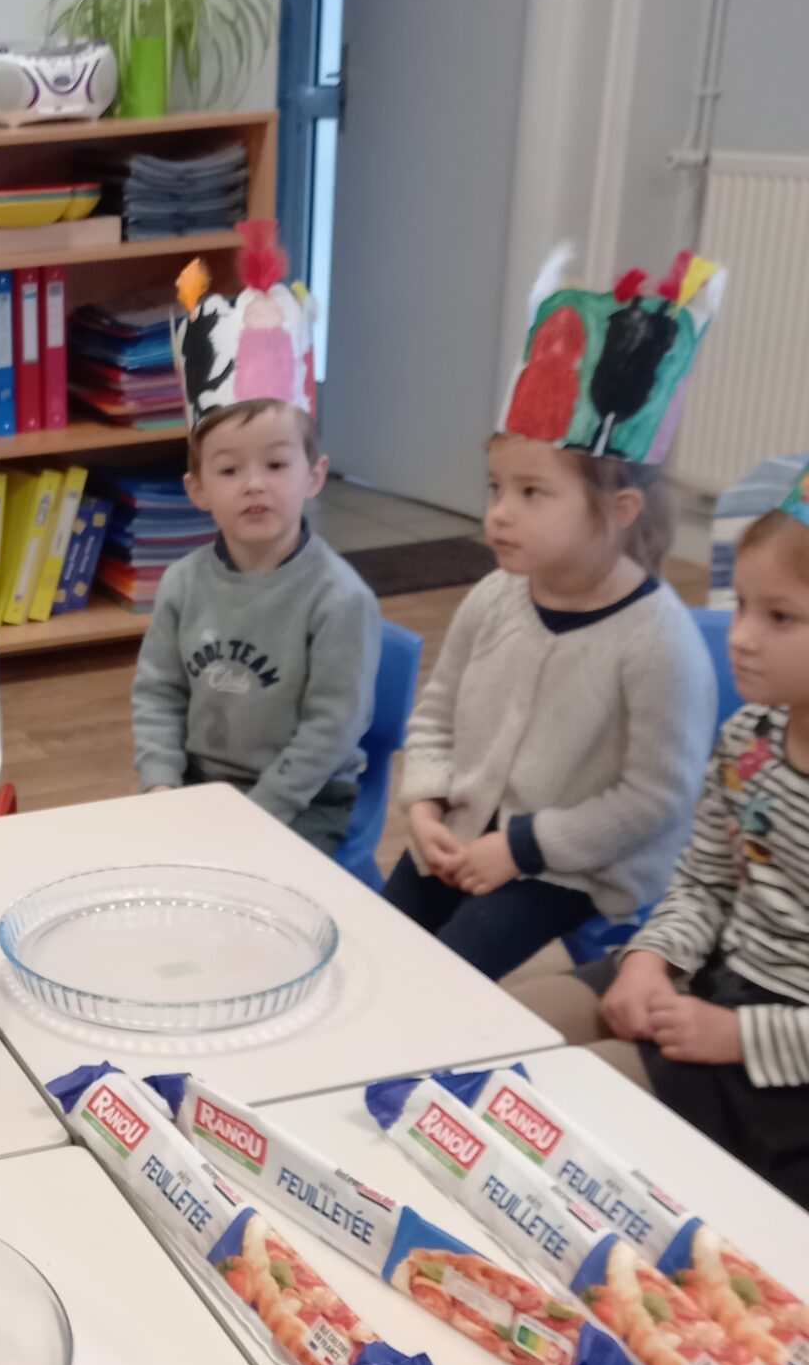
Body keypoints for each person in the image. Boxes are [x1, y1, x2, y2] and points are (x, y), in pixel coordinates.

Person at [384, 247, 727, 978]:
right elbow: (436, 716)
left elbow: (655, 800)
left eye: (532, 493)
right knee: (378, 949)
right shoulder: (494, 595)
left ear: (619, 509)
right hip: (463, 829)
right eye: (496, 488)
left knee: (444, 975)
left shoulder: (658, 642)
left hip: (578, 869)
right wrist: (425, 808)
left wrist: (521, 848)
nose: (499, 513)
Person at [514, 481, 809, 1205]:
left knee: (548, 1111)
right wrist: (652, 959)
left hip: (780, 1064)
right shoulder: (749, 741)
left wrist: (738, 1037)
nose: (740, 635)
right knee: (494, 1029)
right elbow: (704, 882)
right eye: (742, 605)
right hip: (712, 978)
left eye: (779, 617)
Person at [135, 228, 380, 853]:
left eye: (275, 464)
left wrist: (254, 817)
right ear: (197, 489)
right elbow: (159, 692)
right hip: (200, 783)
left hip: (305, 797)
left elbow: (330, 730)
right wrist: (161, 785)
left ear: (314, 476)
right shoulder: (183, 584)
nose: (254, 484)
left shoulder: (339, 599)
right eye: (228, 469)